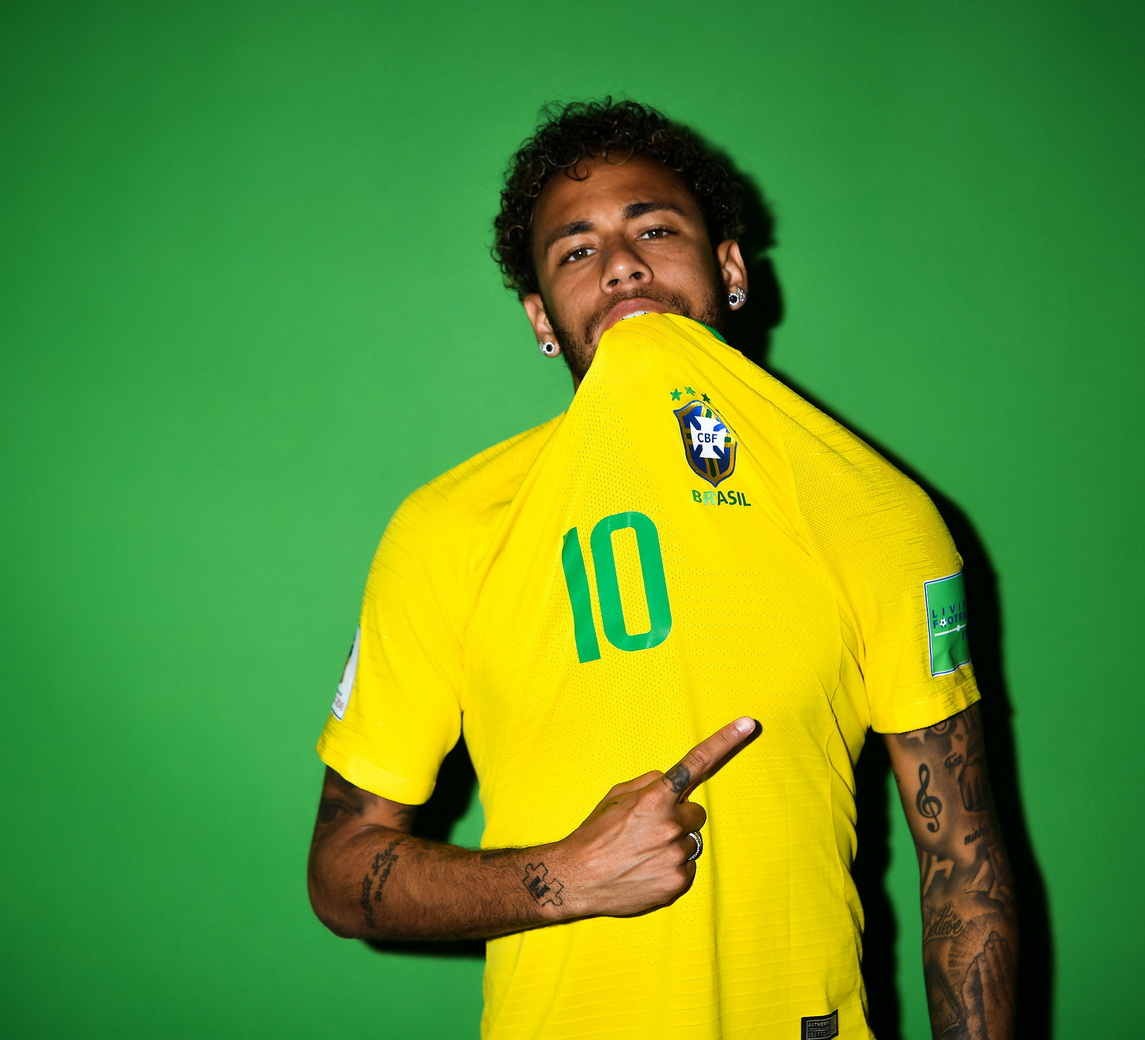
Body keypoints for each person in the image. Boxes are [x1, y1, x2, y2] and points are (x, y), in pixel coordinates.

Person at [308, 99, 1017, 1040]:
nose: (621, 264)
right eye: (576, 250)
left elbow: (964, 869)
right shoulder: (448, 528)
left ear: (731, 270)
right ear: (541, 319)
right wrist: (566, 876)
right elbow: (341, 873)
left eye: (653, 230)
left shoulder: (874, 509)